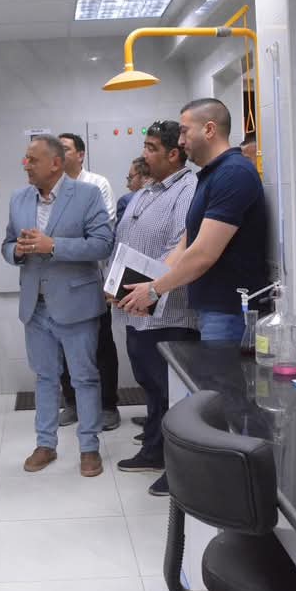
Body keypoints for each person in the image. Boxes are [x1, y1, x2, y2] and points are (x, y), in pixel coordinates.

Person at [2, 135, 114, 477]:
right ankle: (45, 444)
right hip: (35, 306)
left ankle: (89, 448)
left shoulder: (87, 194)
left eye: (32, 160)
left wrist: (53, 246)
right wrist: (17, 251)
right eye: (25, 158)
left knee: (84, 378)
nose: (26, 165)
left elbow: (103, 244)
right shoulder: (19, 198)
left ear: (55, 163)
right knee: (45, 377)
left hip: (76, 304)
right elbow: (7, 244)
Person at [119, 98, 269, 343]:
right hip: (211, 310)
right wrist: (146, 289)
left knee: (222, 370)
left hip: (230, 310)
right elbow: (185, 245)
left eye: (184, 132)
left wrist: (155, 290)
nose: (180, 141)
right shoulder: (210, 176)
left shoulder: (234, 173)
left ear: (209, 130)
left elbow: (203, 254)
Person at [111, 121, 199, 497]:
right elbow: (127, 240)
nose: (144, 154)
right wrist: (115, 286)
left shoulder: (187, 189)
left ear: (174, 154)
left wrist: (149, 289)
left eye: (151, 148)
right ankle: (153, 450)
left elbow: (180, 247)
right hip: (135, 307)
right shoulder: (148, 189)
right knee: (149, 385)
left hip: (167, 311)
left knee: (170, 394)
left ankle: (177, 467)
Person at [57, 132, 121, 431]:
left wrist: (59, 240)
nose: (60, 153)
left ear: (81, 154)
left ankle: (108, 406)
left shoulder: (97, 184)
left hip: (93, 278)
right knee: (61, 344)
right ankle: (71, 402)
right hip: (59, 281)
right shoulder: (50, 187)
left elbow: (100, 232)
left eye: (65, 149)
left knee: (101, 344)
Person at [115, 156, 149, 224]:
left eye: (130, 178)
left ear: (145, 178)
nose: (127, 185)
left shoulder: (126, 201)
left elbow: (121, 230)